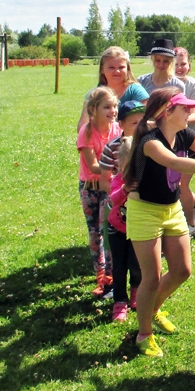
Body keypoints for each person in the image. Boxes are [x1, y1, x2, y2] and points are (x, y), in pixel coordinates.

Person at [124, 88, 195, 357]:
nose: (190, 112)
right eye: (184, 108)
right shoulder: (150, 142)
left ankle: (152, 311)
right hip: (145, 211)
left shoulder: (185, 134)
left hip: (172, 208)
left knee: (182, 271)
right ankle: (143, 335)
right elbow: (173, 161)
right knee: (150, 278)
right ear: (167, 112)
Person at [100, 101, 146, 322]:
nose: (140, 127)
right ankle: (120, 300)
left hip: (138, 224)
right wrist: (126, 190)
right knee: (118, 265)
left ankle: (136, 291)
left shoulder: (149, 145)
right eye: (134, 123)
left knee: (136, 263)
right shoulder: (114, 153)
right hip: (117, 224)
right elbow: (110, 190)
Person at [77, 87, 122, 297]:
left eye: (115, 106)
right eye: (107, 107)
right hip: (90, 188)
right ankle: (100, 275)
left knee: (108, 229)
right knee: (95, 232)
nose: (113, 111)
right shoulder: (86, 131)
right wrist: (113, 167)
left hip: (109, 188)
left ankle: (111, 278)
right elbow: (93, 166)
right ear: (93, 109)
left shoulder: (117, 131)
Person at [173, 47, 195, 234]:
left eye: (183, 64)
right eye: (176, 64)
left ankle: (190, 226)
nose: (179, 68)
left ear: (189, 66)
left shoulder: (194, 86)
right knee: (172, 182)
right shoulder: (168, 84)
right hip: (174, 136)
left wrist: (173, 120)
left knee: (181, 183)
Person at [77, 46, 148, 132]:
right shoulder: (94, 95)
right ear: (102, 69)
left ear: (128, 69)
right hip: (99, 142)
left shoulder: (137, 91)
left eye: (121, 67)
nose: (117, 71)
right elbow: (83, 126)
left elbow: (145, 122)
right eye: (111, 67)